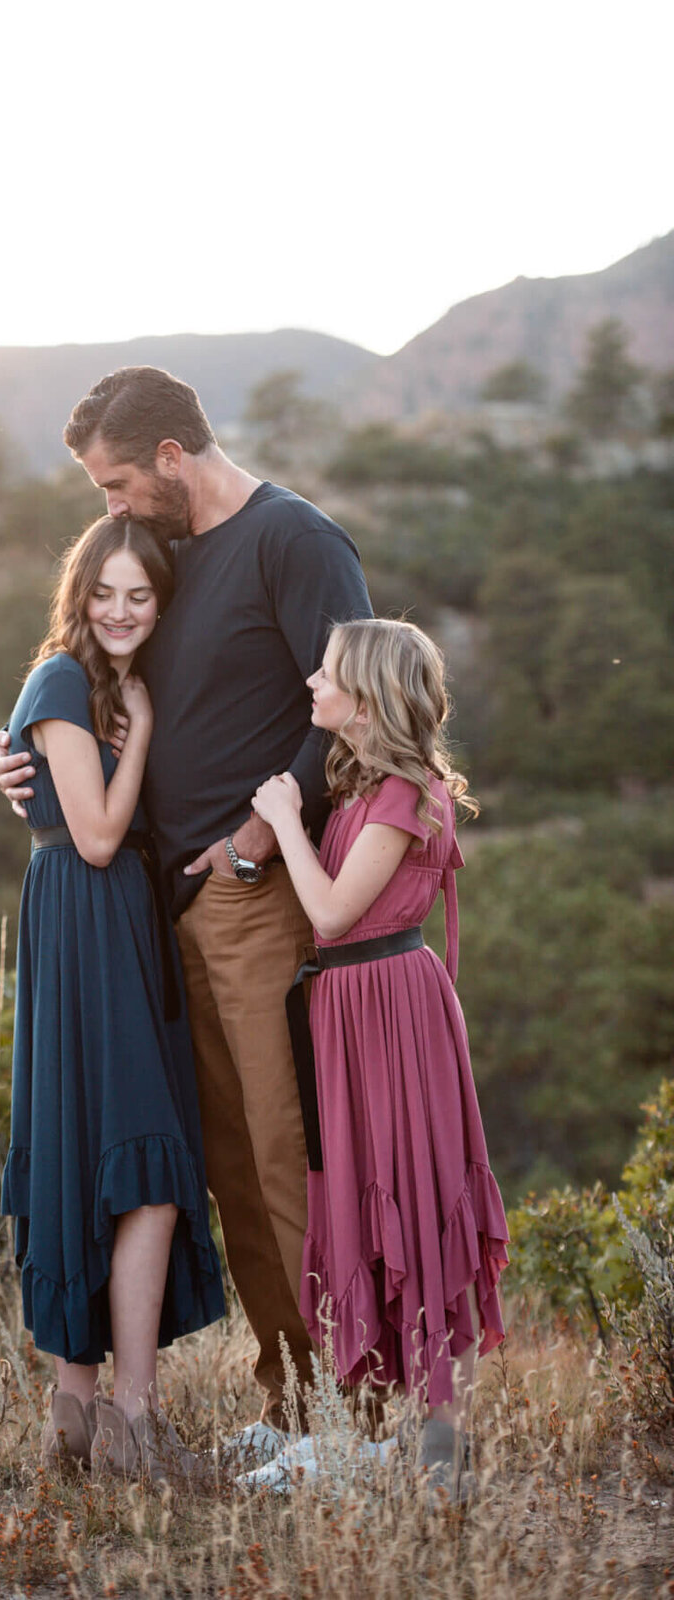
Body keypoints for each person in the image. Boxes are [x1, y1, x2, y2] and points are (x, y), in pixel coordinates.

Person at [0, 365, 372, 1440]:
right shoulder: (165, 559)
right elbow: (99, 685)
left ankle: (349, 1409)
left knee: (281, 1151)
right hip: (162, 915)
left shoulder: (296, 541)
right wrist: (22, 762)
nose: (107, 508)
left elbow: (351, 706)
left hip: (254, 898)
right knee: (228, 1167)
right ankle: (290, 1398)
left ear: (170, 457)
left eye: (115, 482)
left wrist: (260, 834)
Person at [251, 616, 509, 1497]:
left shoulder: (401, 795)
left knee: (423, 1195)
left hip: (390, 1009)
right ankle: (409, 1432)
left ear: (366, 697)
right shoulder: (366, 786)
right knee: (368, 1188)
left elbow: (330, 913)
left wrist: (284, 818)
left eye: (325, 676)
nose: (312, 687)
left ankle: (444, 1444)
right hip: (350, 1010)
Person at [1, 512, 225, 1481]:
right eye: (106, 592)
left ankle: (81, 1423)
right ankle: (126, 1420)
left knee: (108, 1152)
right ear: (78, 593)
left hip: (116, 922)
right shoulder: (65, 678)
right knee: (145, 1162)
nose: (124, 610)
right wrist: (137, 733)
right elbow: (94, 837)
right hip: (88, 916)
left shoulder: (95, 683)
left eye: (142, 595)